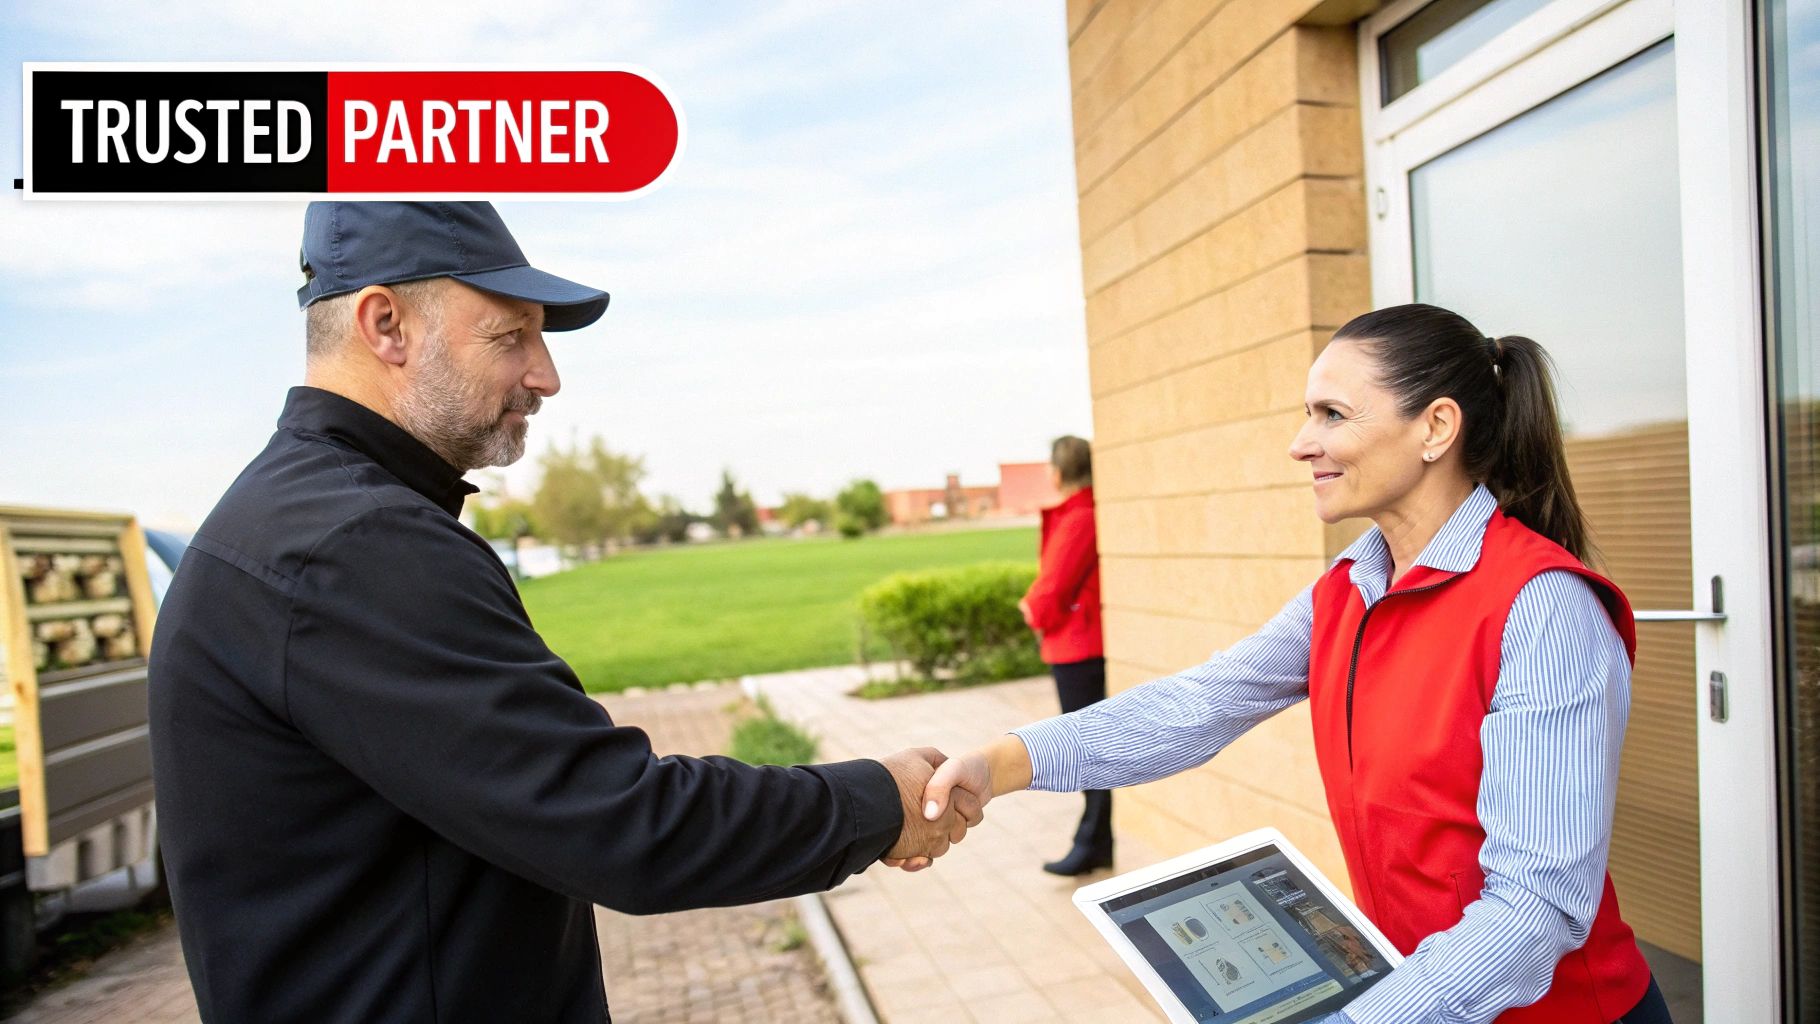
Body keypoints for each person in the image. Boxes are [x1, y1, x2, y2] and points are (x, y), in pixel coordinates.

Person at [147, 202, 977, 1024]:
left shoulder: (296, 519)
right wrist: (881, 802)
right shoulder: (357, 545)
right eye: (511, 337)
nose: (546, 374)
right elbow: (617, 821)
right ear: (386, 324)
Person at [918, 304, 1676, 1023]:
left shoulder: (1543, 609)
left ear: (1436, 427)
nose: (1300, 442)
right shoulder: (1349, 587)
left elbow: (1535, 908)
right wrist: (1004, 763)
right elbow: (1200, 703)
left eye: (1332, 415)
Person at [1017, 434, 1111, 875]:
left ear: (1057, 471)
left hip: (1078, 647)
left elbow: (1053, 587)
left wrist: (1030, 609)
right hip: (1080, 643)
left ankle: (1091, 843)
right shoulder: (1084, 513)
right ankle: (1096, 842)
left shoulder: (1079, 516)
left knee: (1088, 749)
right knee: (1091, 745)